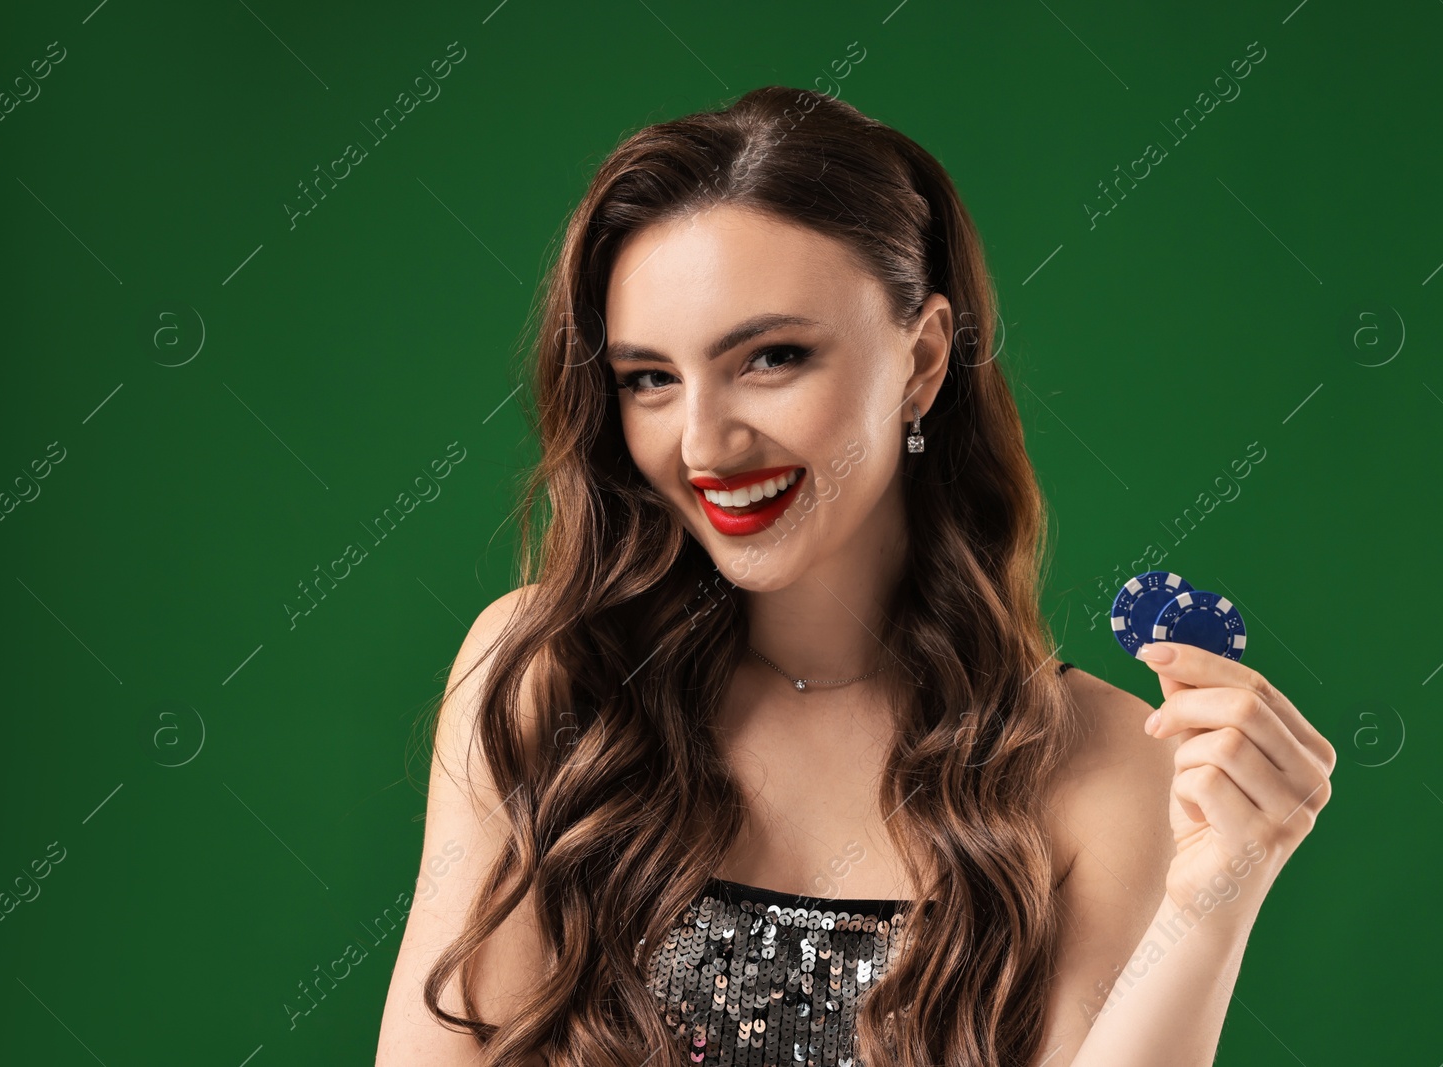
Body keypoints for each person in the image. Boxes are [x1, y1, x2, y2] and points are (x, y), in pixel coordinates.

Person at [375, 85, 1335, 1067]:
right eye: (649, 378)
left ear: (920, 359)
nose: (703, 443)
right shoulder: (543, 673)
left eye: (771, 357)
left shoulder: (1110, 767)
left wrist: (1215, 895)